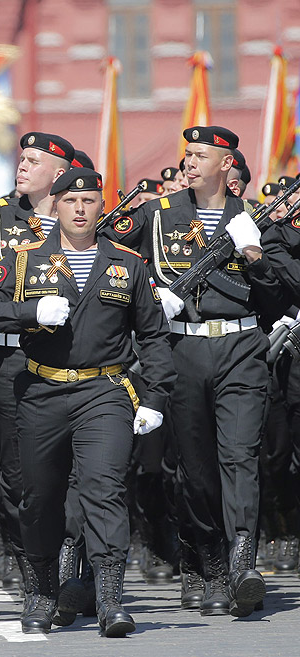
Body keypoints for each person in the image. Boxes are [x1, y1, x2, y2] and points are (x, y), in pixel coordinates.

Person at [0, 166, 175, 636]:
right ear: (55, 206)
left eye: (89, 202)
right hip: (41, 391)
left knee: (104, 489)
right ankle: (41, 591)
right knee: (40, 498)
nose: (80, 210)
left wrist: (155, 396)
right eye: (70, 202)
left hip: (105, 391)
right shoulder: (23, 260)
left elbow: (155, 335)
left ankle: (110, 599)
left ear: (101, 207)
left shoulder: (127, 263)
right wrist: (27, 312)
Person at [106, 125, 285, 618]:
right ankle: (208, 563)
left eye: (201, 155)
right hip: (181, 350)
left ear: (227, 164)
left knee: (239, 457)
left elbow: (285, 292)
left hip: (242, 347)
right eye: (187, 154)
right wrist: (146, 300)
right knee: (196, 469)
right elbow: (105, 257)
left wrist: (255, 256)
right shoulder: (157, 214)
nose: (189, 162)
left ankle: (242, 560)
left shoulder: (252, 217)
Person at [0, 132, 74, 592]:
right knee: (16, 469)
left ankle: (68, 563)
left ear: (58, 174)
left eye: (33, 161)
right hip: (11, 357)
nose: (21, 166)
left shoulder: (80, 218)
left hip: (70, 358)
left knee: (74, 468)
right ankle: (26, 561)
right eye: (20, 159)